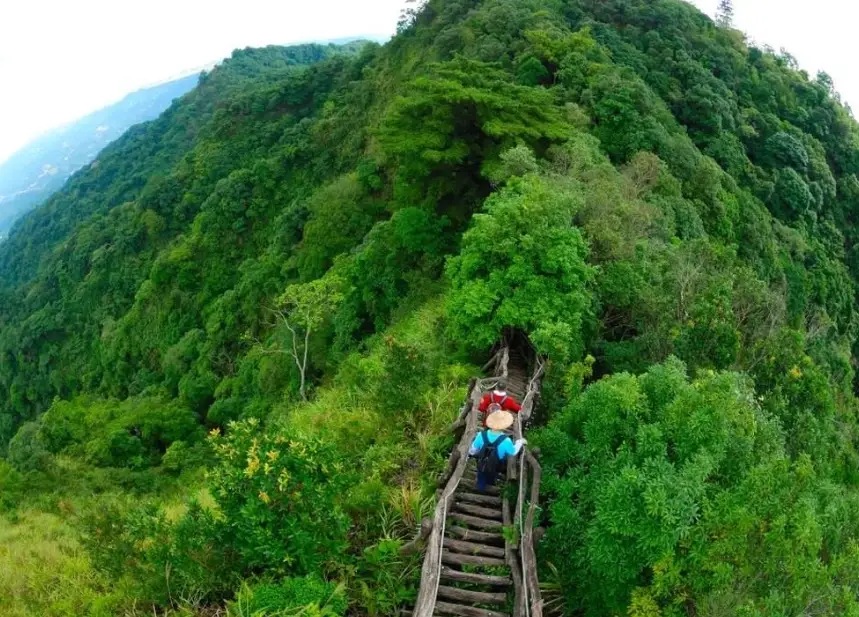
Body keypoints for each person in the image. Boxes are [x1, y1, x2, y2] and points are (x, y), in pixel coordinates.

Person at [468, 410, 526, 492]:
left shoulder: (481, 435)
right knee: (492, 476)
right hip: (496, 465)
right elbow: (513, 452)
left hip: (481, 462)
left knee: (481, 474)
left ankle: (479, 487)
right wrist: (519, 442)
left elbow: (472, 451)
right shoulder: (506, 440)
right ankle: (489, 487)